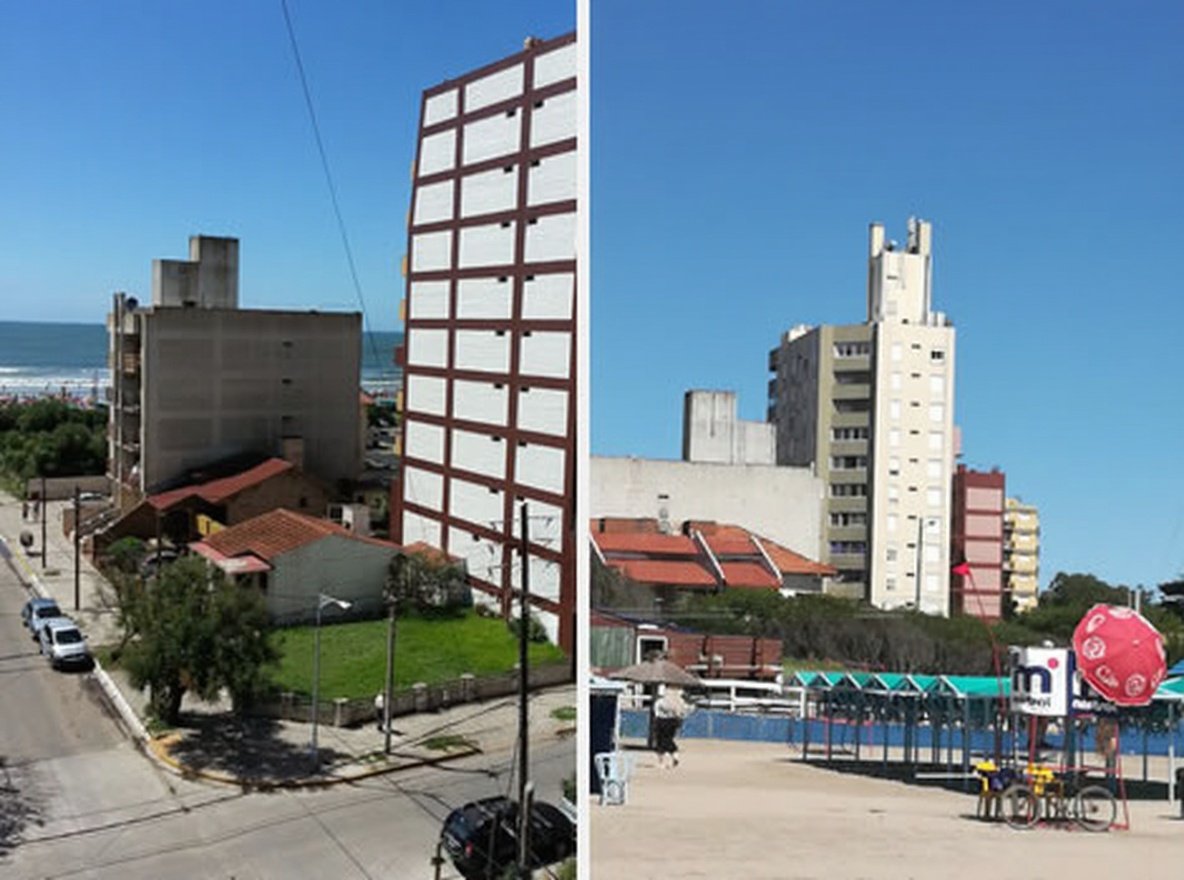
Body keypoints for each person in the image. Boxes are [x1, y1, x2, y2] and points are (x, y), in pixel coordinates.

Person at [653, 686, 688, 768]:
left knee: (660, 741)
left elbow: (656, 713)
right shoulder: (677, 701)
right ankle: (675, 755)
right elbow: (682, 713)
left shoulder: (659, 702)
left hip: (662, 721)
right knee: (669, 739)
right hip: (673, 721)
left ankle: (661, 762)